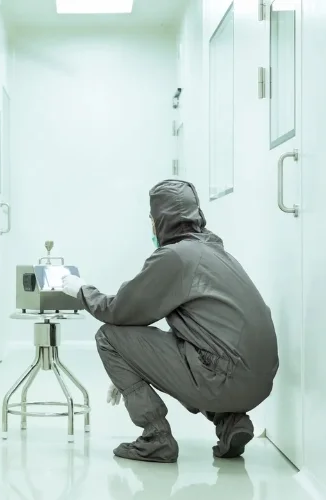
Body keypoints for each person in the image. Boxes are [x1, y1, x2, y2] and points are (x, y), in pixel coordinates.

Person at [61, 179, 278, 464]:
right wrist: (134, 364)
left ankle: (156, 438)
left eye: (152, 220)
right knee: (200, 353)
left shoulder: (175, 257)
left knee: (107, 336)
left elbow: (119, 310)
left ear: (160, 220)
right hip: (259, 381)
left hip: (222, 379)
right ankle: (230, 422)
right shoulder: (216, 252)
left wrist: (81, 290)